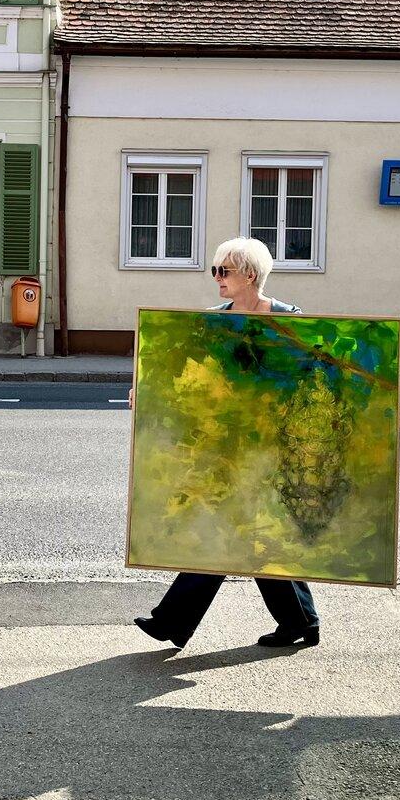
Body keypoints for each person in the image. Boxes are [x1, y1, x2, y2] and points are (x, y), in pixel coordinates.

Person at [130, 236, 321, 651]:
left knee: (243, 531)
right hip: (229, 446)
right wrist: (144, 388)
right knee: (239, 531)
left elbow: (318, 375)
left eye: (223, 271)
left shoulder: (289, 319)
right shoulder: (214, 320)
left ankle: (177, 621)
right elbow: (185, 372)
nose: (215, 278)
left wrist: (382, 410)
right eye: (215, 270)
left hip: (273, 447)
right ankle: (299, 621)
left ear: (249, 275)